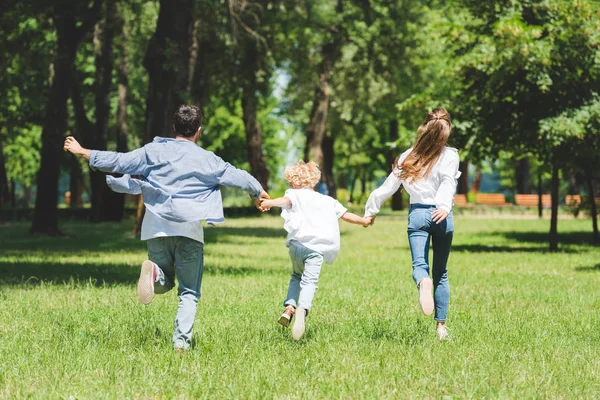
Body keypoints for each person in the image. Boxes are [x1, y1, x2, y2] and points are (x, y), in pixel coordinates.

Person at [63, 104, 269, 352]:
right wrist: (258, 192)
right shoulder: (208, 159)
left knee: (164, 282)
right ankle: (181, 345)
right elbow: (237, 175)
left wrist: (84, 152)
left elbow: (121, 160)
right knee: (189, 292)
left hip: (155, 230)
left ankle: (153, 274)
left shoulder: (153, 151)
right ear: (198, 131)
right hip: (189, 232)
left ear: (174, 128)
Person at [364, 108, 460, 341]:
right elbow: (448, 182)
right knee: (442, 272)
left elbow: (387, 187)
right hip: (442, 215)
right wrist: (444, 206)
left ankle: (422, 282)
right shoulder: (451, 155)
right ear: (447, 130)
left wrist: (370, 211)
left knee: (420, 265)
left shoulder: (409, 155)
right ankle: (441, 328)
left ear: (424, 126)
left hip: (418, 215)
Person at [261, 160, 371, 341]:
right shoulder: (328, 200)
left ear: (295, 182)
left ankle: (289, 308)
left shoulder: (294, 194)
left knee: (296, 276)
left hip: (296, 247)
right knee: (309, 281)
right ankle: (302, 310)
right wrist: (364, 221)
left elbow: (285, 201)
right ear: (313, 181)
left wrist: (270, 202)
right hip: (316, 249)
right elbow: (346, 215)